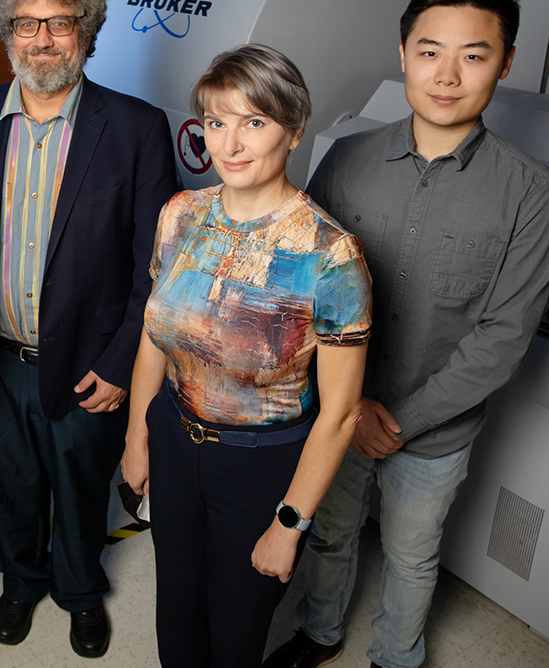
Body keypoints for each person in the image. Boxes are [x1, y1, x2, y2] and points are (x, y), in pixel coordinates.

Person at [264, 0, 549, 668]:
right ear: (402, 54)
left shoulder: (530, 194)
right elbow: (302, 282)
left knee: (410, 553)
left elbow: (502, 340)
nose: (448, 75)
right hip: (340, 408)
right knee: (333, 530)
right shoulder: (347, 158)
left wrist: (392, 417)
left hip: (435, 430)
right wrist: (350, 405)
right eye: (430, 52)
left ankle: (395, 656)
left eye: (475, 55)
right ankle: (320, 629)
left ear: (506, 63)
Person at [0, 0, 177, 658]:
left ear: (88, 30)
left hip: (88, 361)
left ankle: (78, 592)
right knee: (10, 481)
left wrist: (119, 365)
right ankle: (20, 581)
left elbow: (154, 269)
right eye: (26, 23)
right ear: (5, 29)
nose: (42, 40)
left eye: (61, 22)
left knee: (78, 488)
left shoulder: (136, 129)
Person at [121, 44, 371, 667]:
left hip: (261, 465)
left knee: (235, 635)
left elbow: (340, 414)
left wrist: (290, 524)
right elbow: (155, 333)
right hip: (175, 439)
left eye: (254, 122)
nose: (230, 143)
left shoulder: (330, 255)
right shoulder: (182, 215)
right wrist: (136, 438)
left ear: (293, 129)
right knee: (176, 614)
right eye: (216, 122)